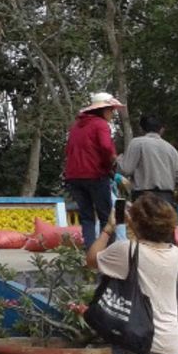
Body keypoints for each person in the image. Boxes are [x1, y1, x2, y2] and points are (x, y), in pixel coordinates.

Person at [86, 194, 178, 354]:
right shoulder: (173, 253)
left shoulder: (125, 251)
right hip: (169, 340)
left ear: (137, 223)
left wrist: (109, 228)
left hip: (134, 336)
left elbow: (92, 259)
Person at [66, 92, 125, 248]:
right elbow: (106, 147)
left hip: (74, 177)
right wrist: (113, 163)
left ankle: (90, 252)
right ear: (103, 110)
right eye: (111, 110)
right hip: (95, 175)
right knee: (106, 217)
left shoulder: (75, 126)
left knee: (86, 217)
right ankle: (107, 252)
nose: (112, 114)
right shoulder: (100, 125)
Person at [120, 114, 178, 213]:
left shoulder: (137, 143)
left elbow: (126, 170)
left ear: (142, 129)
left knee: (143, 228)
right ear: (161, 130)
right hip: (166, 201)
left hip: (142, 200)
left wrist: (119, 160)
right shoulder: (171, 149)